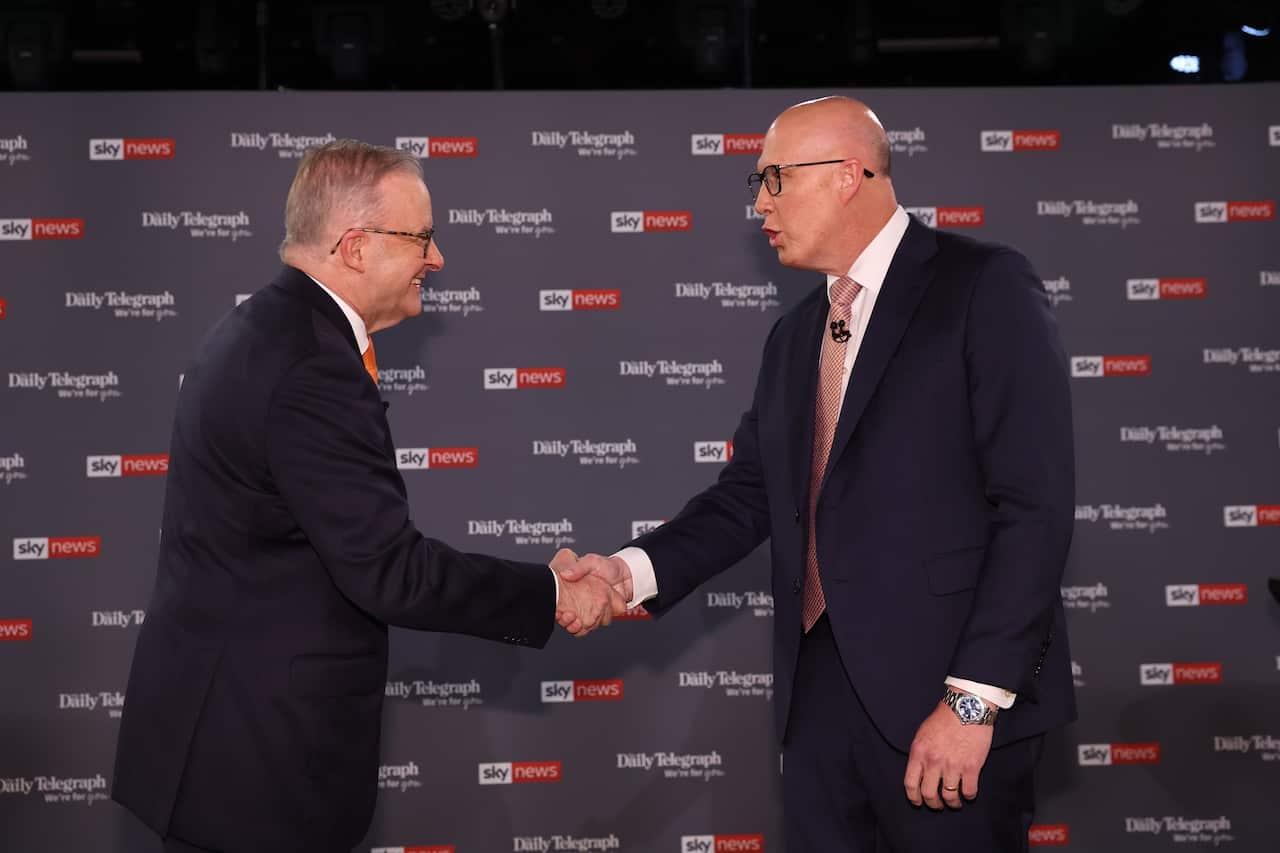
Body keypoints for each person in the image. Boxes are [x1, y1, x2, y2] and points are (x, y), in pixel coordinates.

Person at [560, 97, 1076, 852]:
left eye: (774, 179)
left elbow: (1034, 506)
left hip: (950, 703)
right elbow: (746, 497)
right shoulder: (795, 333)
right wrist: (626, 574)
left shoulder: (982, 287)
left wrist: (971, 704)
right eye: (757, 183)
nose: (760, 205)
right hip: (818, 711)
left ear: (848, 175)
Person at [112, 140, 622, 853]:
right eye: (421, 238)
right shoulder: (312, 366)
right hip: (257, 770)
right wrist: (550, 593)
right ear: (355, 247)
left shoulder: (261, 329)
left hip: (221, 743)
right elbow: (391, 572)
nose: (437, 260)